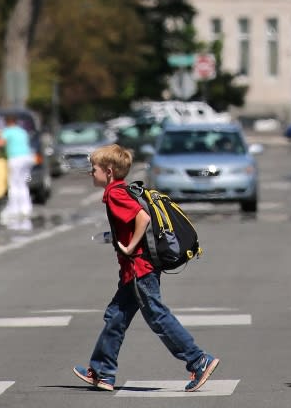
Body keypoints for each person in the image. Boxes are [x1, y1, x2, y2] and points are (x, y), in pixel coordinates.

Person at [72, 143, 218, 392]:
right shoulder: (122, 191)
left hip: (139, 268)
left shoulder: (116, 194)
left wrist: (129, 248)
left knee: (157, 316)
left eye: (93, 168)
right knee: (116, 316)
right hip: (135, 270)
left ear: (108, 171)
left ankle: (198, 359)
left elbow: (143, 217)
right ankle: (102, 372)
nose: (90, 173)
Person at [0, 115, 33, 230]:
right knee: (23, 184)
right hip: (27, 157)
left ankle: (15, 208)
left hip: (15, 158)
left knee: (14, 184)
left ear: (8, 122)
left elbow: (1, 143)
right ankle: (26, 208)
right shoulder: (22, 131)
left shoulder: (8, 131)